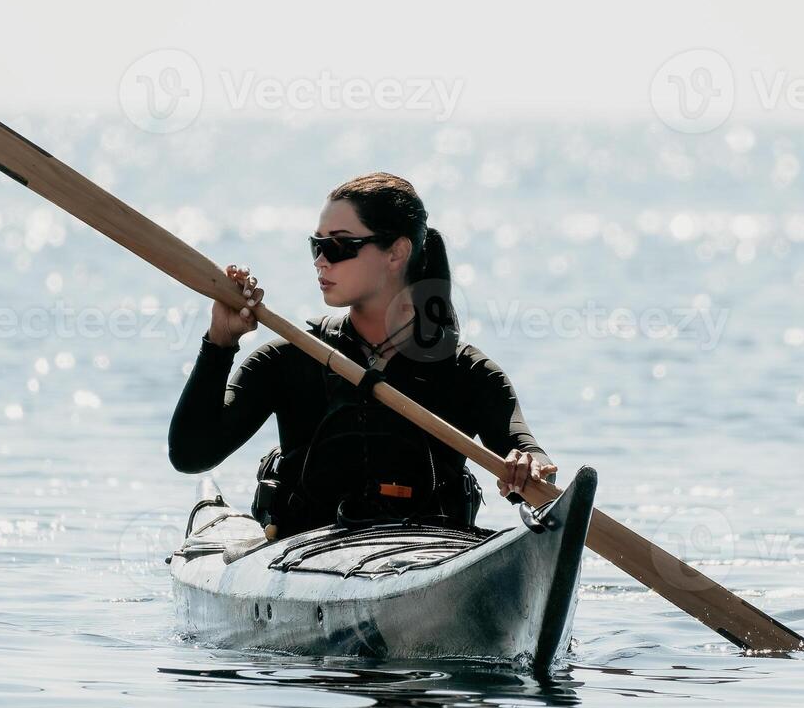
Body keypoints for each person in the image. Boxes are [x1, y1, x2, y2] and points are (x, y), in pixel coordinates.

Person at [167, 172, 557, 538]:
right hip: (302, 558)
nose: (321, 260)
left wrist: (528, 470)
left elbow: (526, 452)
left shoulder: (467, 372)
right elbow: (189, 455)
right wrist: (220, 342)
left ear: (396, 252)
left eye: (338, 245)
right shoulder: (290, 358)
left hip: (427, 555)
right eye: (316, 245)